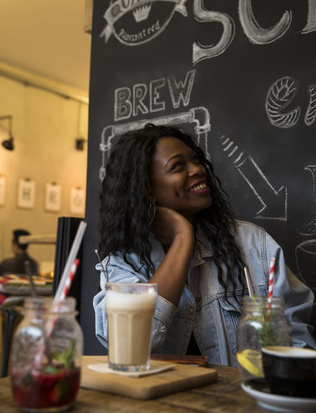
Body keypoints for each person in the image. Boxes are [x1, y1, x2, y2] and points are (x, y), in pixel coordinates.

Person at [93, 124, 316, 366]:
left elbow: (297, 342)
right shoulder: (122, 264)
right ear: (147, 191)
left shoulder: (254, 244)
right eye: (178, 166)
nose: (199, 169)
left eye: (196, 160)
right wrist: (182, 238)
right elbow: (131, 343)